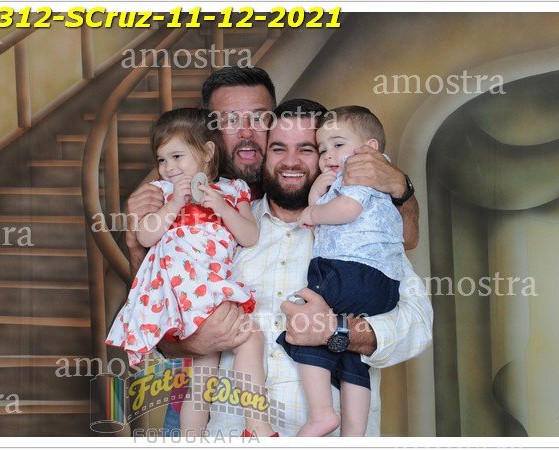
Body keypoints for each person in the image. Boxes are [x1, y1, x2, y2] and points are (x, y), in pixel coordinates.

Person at [124, 67, 432, 436]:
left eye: (307, 149)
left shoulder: (363, 228)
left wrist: (338, 331)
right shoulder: (219, 226)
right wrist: (187, 337)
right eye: (278, 148)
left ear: (328, 156)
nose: (290, 161)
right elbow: (166, 304)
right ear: (263, 153)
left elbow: (418, 326)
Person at [106, 108, 276, 437]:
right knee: (250, 337)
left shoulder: (232, 190)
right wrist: (172, 206)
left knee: (201, 377)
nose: (168, 167)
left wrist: (221, 207)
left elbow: (249, 236)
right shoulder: (163, 192)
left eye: (176, 156)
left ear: (207, 152)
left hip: (212, 288)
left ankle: (192, 437)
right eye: (161, 160)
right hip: (186, 287)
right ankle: (259, 428)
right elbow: (145, 237)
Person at [275, 105, 407, 436]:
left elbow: (347, 209)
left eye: (337, 145)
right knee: (354, 361)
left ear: (370, 149)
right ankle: (353, 433)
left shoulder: (362, 173)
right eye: (322, 150)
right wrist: (318, 193)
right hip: (378, 282)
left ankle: (321, 414)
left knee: (306, 323)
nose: (328, 156)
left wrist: (311, 213)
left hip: (349, 270)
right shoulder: (354, 182)